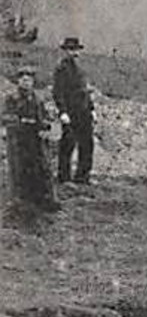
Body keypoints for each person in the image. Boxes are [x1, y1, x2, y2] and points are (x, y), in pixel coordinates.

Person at [3, 62, 61, 215]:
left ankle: (43, 200)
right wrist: (21, 122)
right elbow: (5, 117)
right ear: (18, 81)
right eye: (23, 79)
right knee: (19, 170)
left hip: (36, 139)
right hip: (18, 140)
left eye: (29, 79)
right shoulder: (11, 98)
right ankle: (18, 202)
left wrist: (46, 126)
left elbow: (45, 116)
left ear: (33, 82)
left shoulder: (38, 98)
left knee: (41, 167)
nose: (26, 82)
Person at [51, 36, 95, 184]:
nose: (74, 53)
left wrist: (92, 109)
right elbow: (58, 92)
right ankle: (64, 177)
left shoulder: (81, 69)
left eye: (76, 50)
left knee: (87, 144)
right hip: (71, 112)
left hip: (84, 112)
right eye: (70, 50)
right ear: (65, 51)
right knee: (68, 144)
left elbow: (86, 91)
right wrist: (62, 112)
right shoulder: (62, 68)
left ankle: (83, 176)